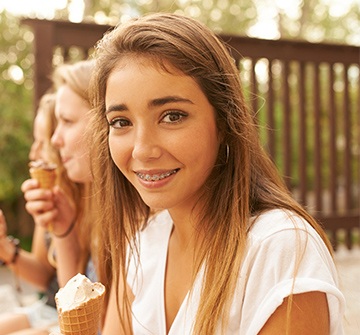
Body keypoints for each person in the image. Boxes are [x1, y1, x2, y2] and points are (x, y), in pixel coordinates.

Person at [88, 13, 345, 335]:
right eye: (121, 122)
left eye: (172, 116)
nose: (141, 150)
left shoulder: (278, 247)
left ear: (224, 123)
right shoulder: (147, 242)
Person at [19, 59, 107, 334]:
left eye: (66, 122)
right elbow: (76, 313)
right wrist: (64, 231)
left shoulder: (141, 217)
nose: (54, 142)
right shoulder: (86, 203)